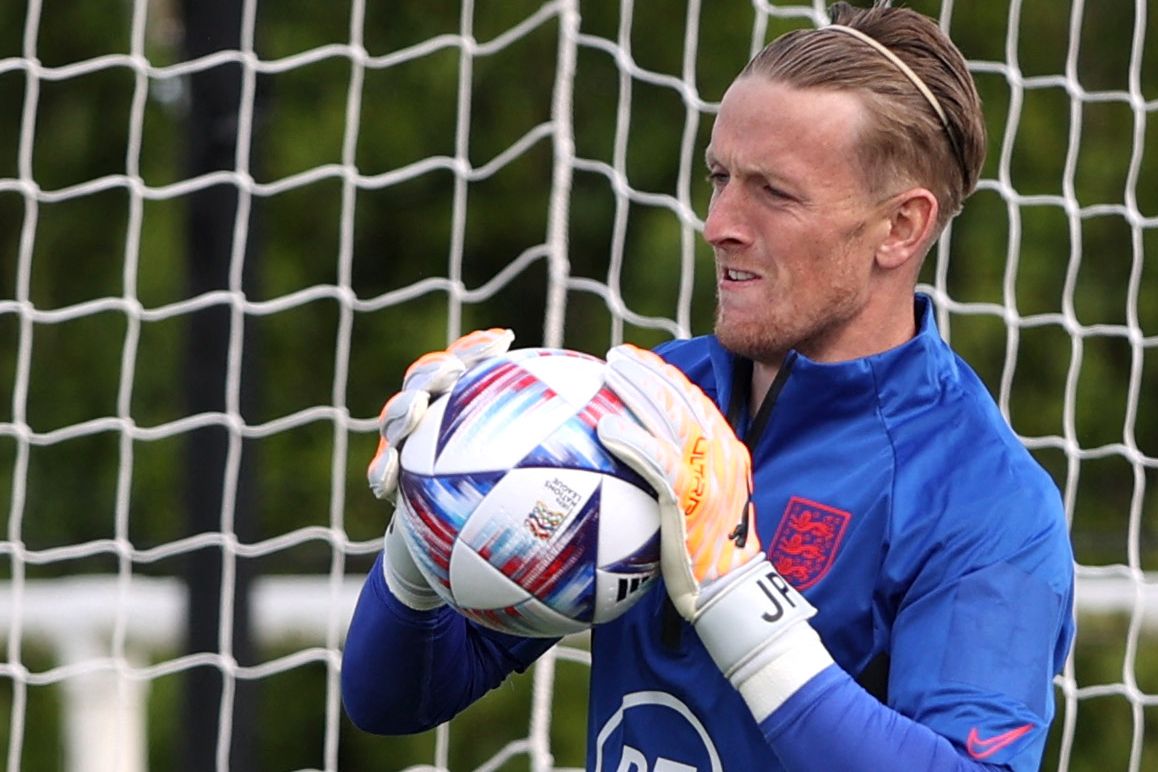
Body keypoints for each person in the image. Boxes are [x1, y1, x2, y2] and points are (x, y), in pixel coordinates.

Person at [342, 2, 1076, 770]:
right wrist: (430, 525)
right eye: (720, 177)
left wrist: (740, 600)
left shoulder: (983, 500)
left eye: (775, 192)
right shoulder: (646, 404)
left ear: (900, 227)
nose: (720, 223)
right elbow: (392, 701)